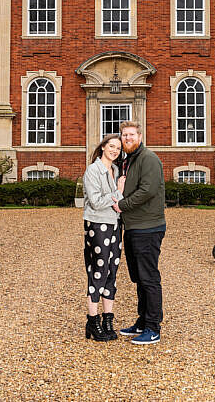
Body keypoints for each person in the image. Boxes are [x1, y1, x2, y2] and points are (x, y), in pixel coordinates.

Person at [112, 120, 165, 345]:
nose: (128, 139)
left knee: (148, 277)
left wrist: (122, 205)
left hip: (148, 227)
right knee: (139, 278)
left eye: (132, 135)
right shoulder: (128, 160)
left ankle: (153, 327)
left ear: (140, 137)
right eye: (124, 135)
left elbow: (147, 190)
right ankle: (142, 321)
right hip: (134, 226)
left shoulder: (148, 159)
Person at [81, 133, 125, 341]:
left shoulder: (115, 170)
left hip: (114, 224)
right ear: (102, 147)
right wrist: (118, 192)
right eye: (112, 146)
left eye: (118, 148)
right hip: (97, 224)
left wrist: (118, 195)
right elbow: (97, 202)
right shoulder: (93, 170)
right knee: (98, 270)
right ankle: (93, 320)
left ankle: (108, 319)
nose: (115, 150)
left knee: (112, 271)